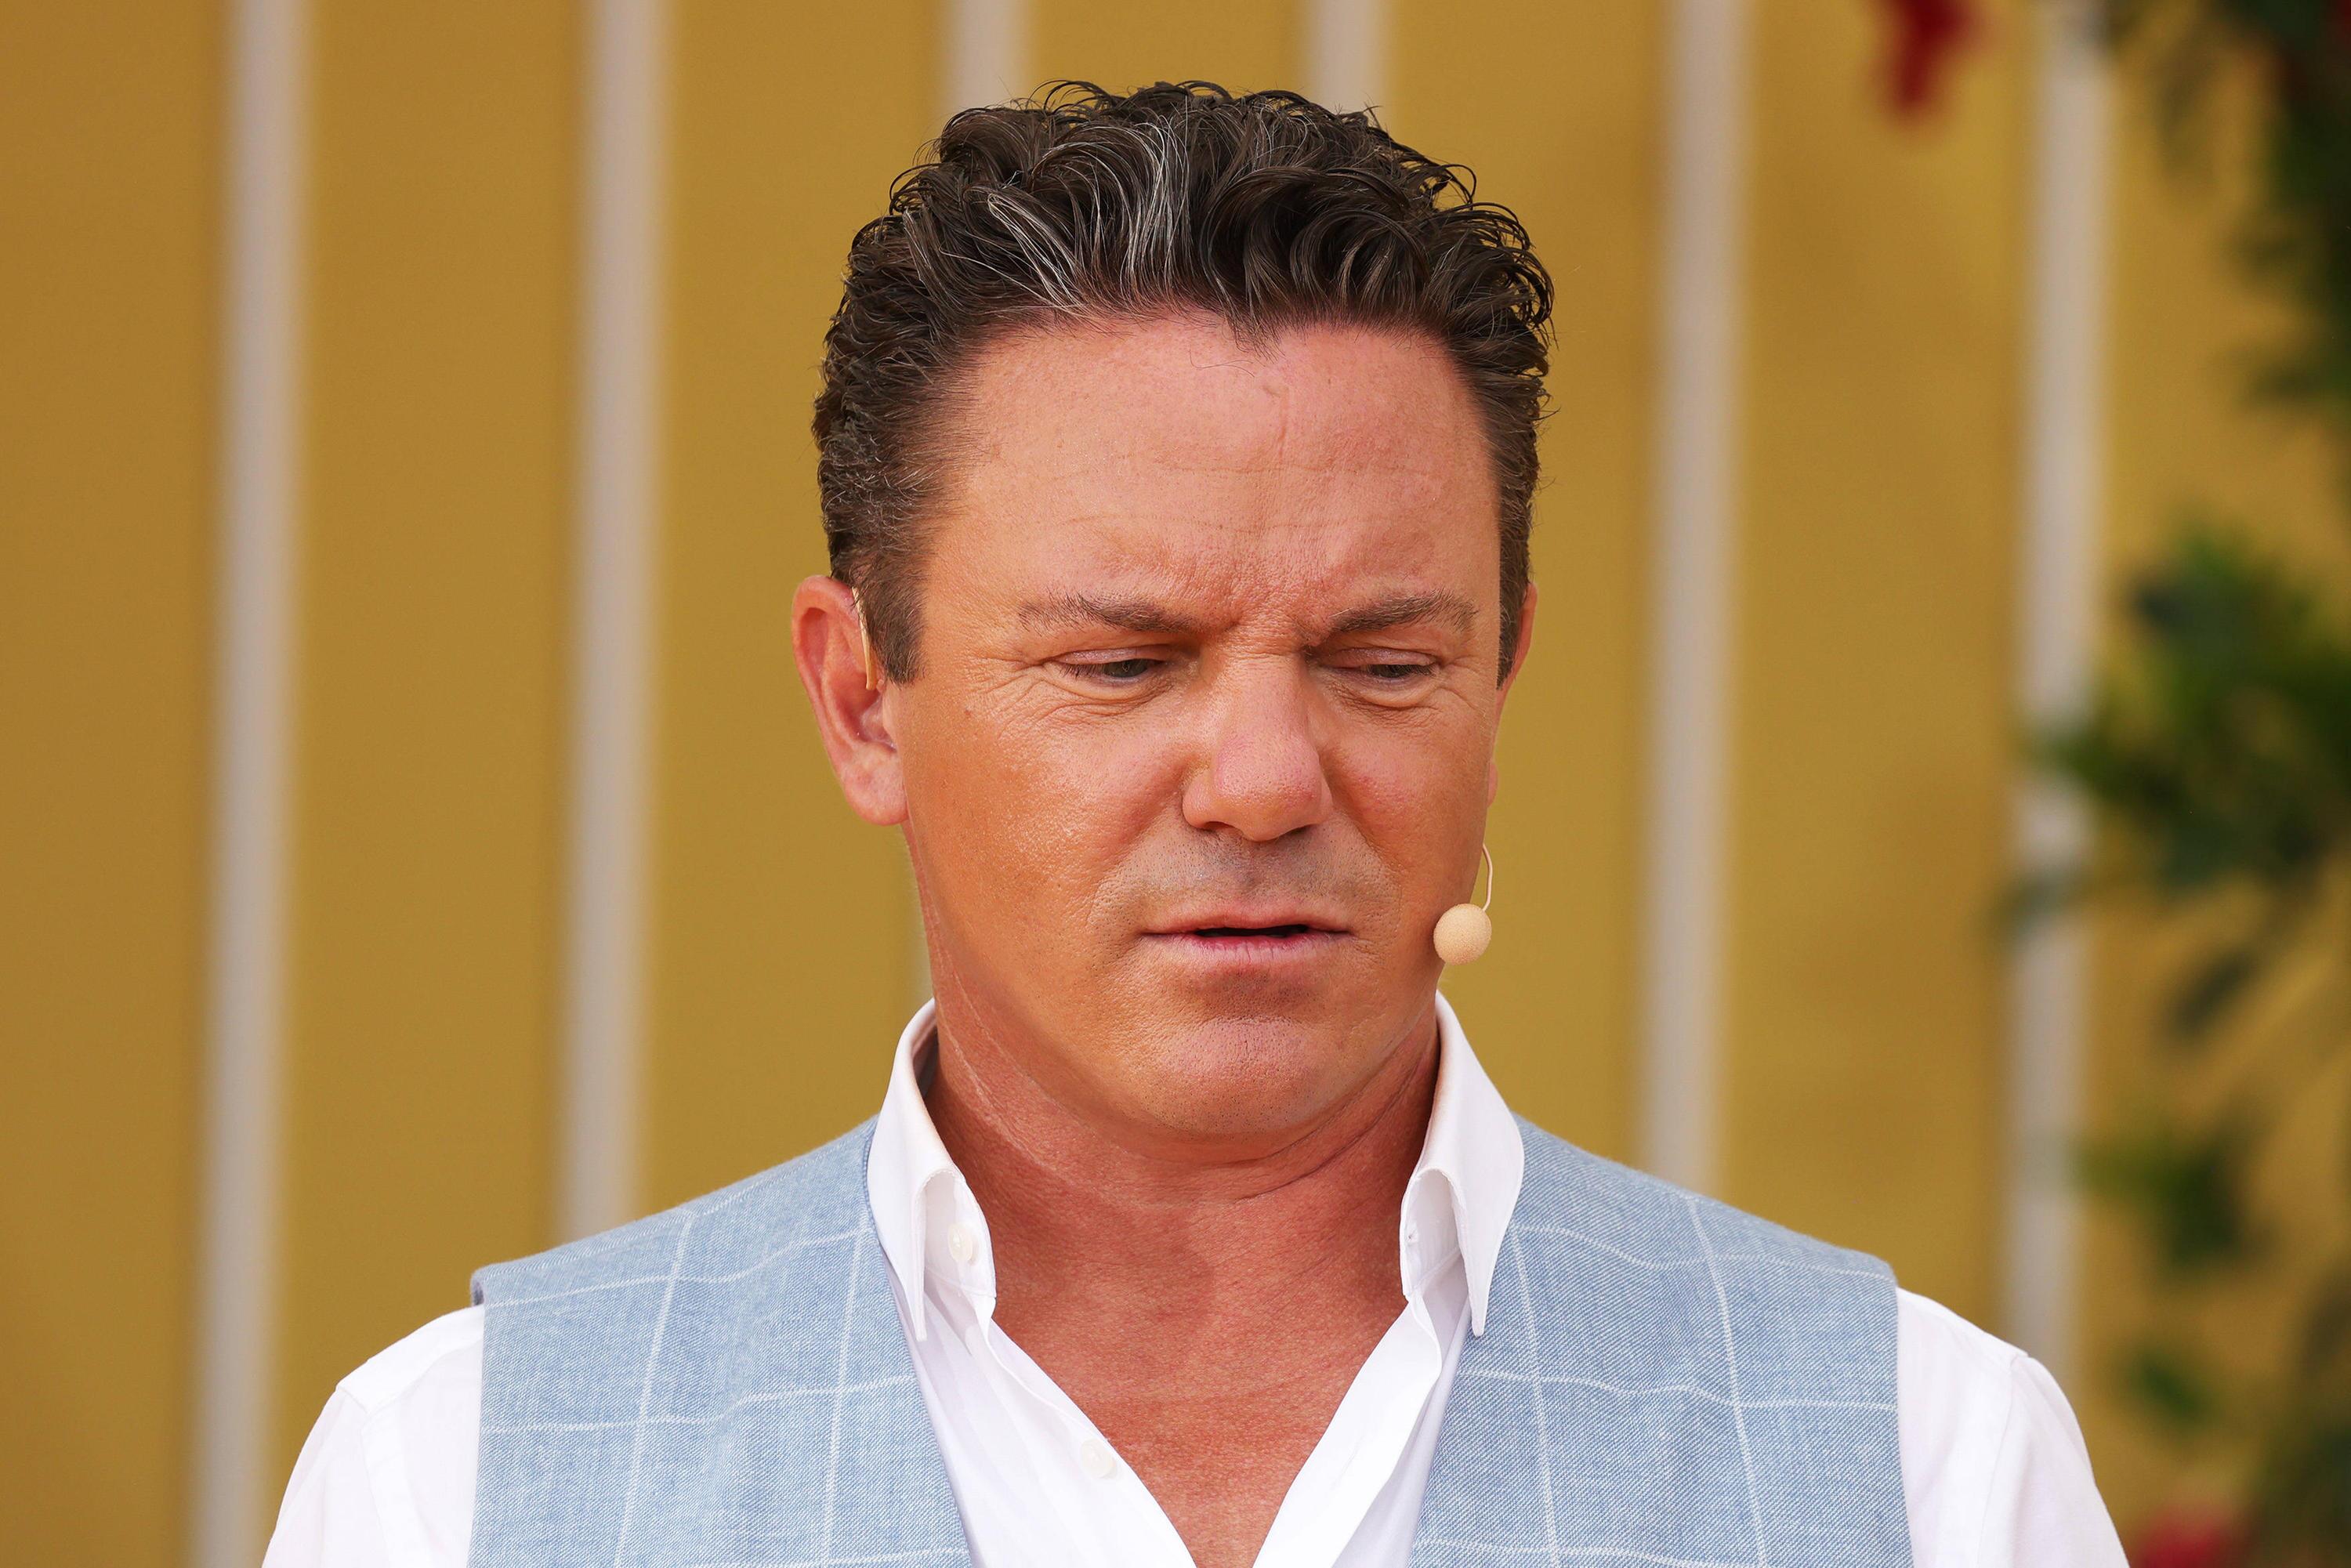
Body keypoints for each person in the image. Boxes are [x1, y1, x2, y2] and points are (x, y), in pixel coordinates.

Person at [265, 81, 2127, 1568]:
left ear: (1501, 675)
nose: (1263, 779)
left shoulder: (1925, 1467)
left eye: (1383, 660)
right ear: (861, 699)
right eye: (1125, 661)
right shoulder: (457, 1479)